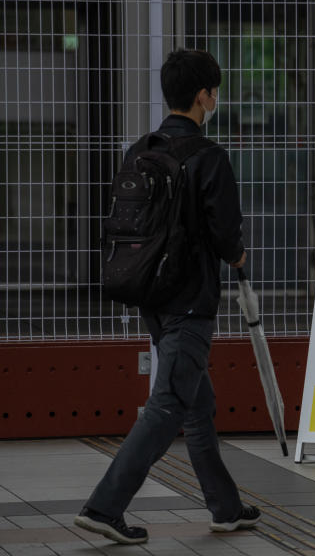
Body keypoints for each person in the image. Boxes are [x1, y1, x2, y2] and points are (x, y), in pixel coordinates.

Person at [74, 50, 261, 544]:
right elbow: (225, 235)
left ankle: (225, 507)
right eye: (214, 91)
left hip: (149, 291)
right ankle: (104, 506)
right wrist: (239, 256)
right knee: (169, 405)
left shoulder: (139, 149)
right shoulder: (208, 156)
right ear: (203, 96)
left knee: (197, 402)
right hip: (190, 299)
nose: (215, 98)